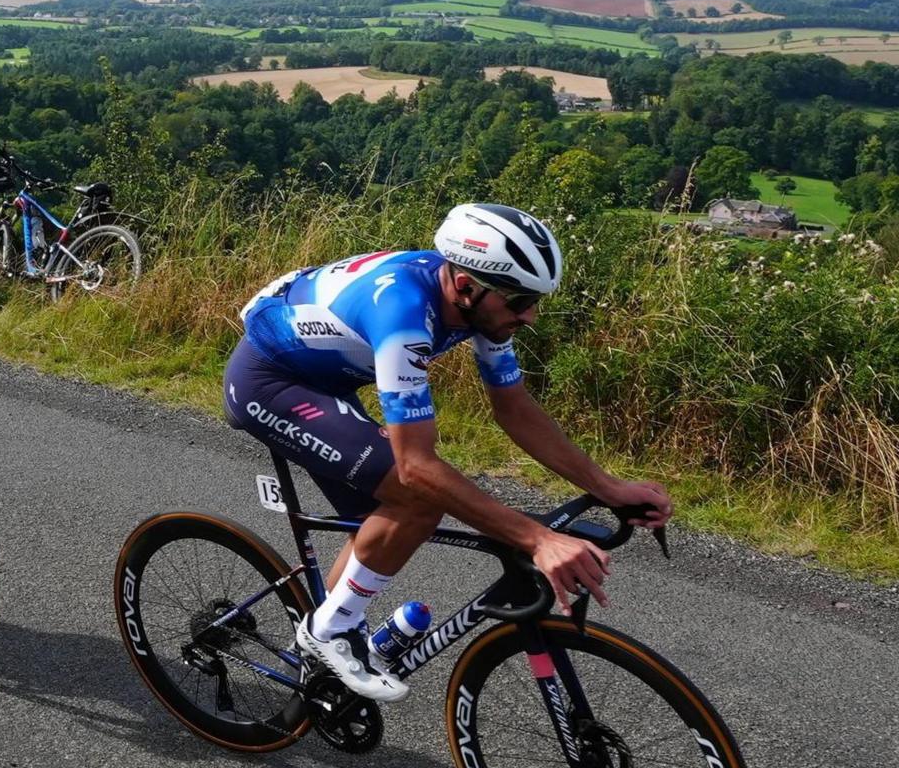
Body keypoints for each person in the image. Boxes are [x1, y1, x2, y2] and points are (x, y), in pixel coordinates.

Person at [226, 203, 673, 703]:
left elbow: (514, 409)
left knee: (387, 514)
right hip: (270, 382)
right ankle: (328, 632)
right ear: (465, 285)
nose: (530, 316)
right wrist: (537, 540)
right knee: (416, 497)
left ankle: (328, 644)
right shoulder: (403, 314)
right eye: (521, 300)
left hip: (327, 381)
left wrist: (608, 487)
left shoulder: (476, 304)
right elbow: (417, 466)